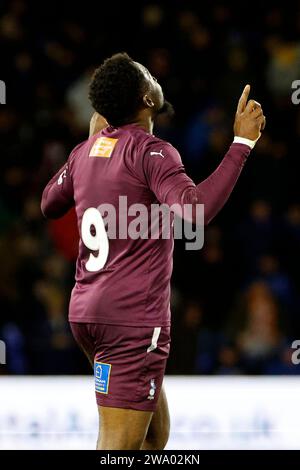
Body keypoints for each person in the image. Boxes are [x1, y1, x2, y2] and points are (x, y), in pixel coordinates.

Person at [41, 52, 266, 450]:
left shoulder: (85, 151)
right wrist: (242, 142)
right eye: (146, 74)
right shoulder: (151, 152)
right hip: (131, 322)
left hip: (88, 317)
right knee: (118, 448)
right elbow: (195, 211)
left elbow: (48, 203)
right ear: (146, 98)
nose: (152, 74)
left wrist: (89, 146)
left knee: (154, 438)